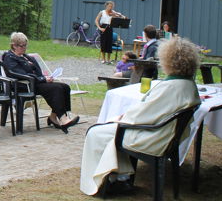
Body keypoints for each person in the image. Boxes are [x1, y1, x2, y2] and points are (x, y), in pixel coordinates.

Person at [79, 36, 201, 196]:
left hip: (154, 137)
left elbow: (141, 115)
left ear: (167, 60)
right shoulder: (188, 85)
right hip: (168, 135)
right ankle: (119, 178)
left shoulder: (169, 87)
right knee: (110, 130)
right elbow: (152, 112)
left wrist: (121, 118)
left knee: (96, 132)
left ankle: (101, 183)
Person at [3, 32, 79, 132]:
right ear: (14, 45)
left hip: (36, 82)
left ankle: (53, 116)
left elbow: (38, 72)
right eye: (21, 46)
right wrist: (42, 79)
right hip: (24, 85)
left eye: (25, 45)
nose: (24, 48)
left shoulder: (26, 57)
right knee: (55, 88)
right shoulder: (10, 58)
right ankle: (63, 118)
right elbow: (19, 74)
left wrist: (46, 77)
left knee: (65, 87)